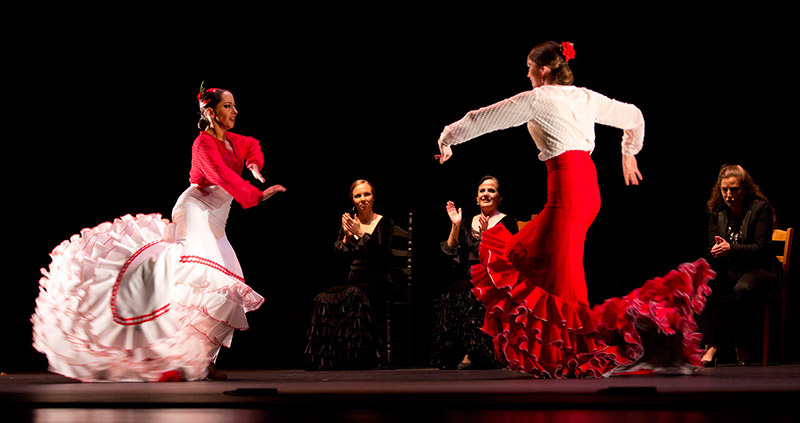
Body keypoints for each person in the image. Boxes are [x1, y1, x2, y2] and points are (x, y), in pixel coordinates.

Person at [434, 41, 714, 378]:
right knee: (528, 256)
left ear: (544, 71)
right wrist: (629, 151)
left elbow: (483, 118)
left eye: (529, 69)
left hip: (567, 190)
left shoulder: (538, 98)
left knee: (556, 272)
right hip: (587, 189)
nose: (527, 75)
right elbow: (634, 116)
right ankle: (561, 349)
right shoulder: (585, 97)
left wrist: (447, 138)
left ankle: (579, 349)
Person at [31, 85, 286, 382]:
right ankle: (149, 319)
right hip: (196, 209)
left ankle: (200, 359)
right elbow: (221, 175)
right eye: (228, 106)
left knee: (226, 289)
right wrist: (255, 195)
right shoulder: (203, 144)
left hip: (217, 218)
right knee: (203, 274)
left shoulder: (232, 140)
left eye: (234, 105)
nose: (235, 111)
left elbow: (251, 145)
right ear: (211, 111)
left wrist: (254, 163)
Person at [305, 179, 394, 370]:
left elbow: (384, 256)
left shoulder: (384, 222)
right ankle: (333, 357)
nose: (363, 199)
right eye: (358, 196)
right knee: (324, 297)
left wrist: (361, 234)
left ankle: (362, 356)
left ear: (373, 197)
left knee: (355, 294)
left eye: (367, 194)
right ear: (352, 200)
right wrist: (346, 238)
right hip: (354, 280)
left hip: (378, 279)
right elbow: (335, 262)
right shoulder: (350, 223)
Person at [431, 175, 517, 370]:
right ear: (477, 197)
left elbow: (508, 255)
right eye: (482, 191)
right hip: (469, 273)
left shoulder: (508, 221)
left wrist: (487, 236)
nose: (486, 194)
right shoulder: (468, 221)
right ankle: (454, 351)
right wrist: (455, 225)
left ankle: (476, 352)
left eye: (491, 190)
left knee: (473, 294)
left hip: (495, 275)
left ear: (499, 198)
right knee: (451, 293)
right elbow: (451, 248)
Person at [699, 164, 779, 366]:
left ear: (745, 188)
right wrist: (716, 249)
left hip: (759, 268)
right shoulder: (717, 210)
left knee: (744, 289)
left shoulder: (760, 208)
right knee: (703, 284)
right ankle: (711, 345)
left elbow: (761, 248)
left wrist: (731, 248)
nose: (729, 195)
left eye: (734, 189)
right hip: (731, 267)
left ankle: (741, 345)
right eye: (725, 189)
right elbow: (711, 245)